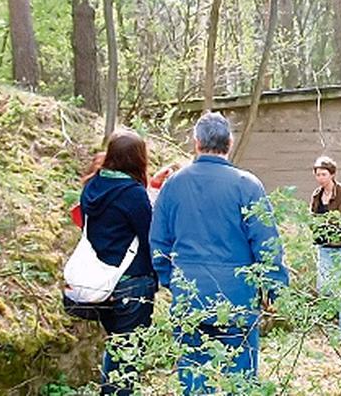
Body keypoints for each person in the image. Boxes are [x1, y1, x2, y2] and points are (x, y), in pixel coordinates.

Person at [150, 112, 289, 393]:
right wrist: (274, 288)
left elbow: (158, 244)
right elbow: (266, 243)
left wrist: (171, 281)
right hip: (237, 297)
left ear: (196, 142)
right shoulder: (247, 185)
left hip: (190, 295)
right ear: (230, 142)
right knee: (240, 378)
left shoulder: (174, 185)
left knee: (193, 374)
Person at [79, 131, 156, 395]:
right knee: (128, 357)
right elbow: (150, 237)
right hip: (131, 283)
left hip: (101, 283)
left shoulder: (92, 186)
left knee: (117, 347)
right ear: (138, 159)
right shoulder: (133, 194)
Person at [309, 156, 341, 338]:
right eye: (318, 174)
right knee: (325, 287)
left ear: (332, 174)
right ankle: (335, 323)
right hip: (324, 245)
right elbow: (312, 218)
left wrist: (324, 223)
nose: (320, 178)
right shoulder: (316, 195)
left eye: (324, 174)